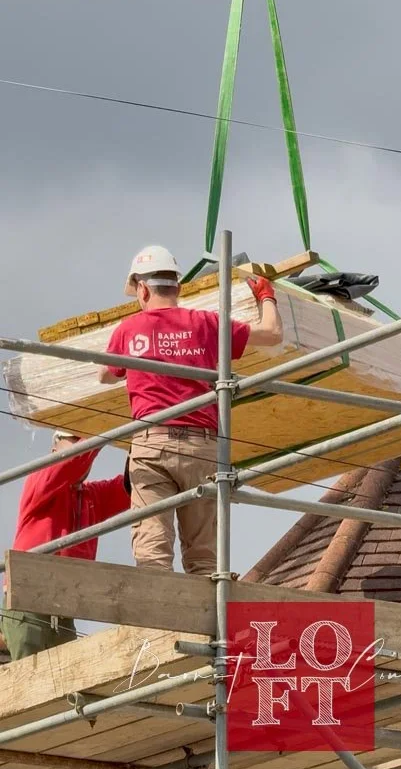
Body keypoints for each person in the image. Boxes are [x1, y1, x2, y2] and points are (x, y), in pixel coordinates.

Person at [99, 245, 283, 575]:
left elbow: (103, 375)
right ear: (179, 287)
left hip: (152, 445)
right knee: (204, 558)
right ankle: (208, 626)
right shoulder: (205, 323)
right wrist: (266, 294)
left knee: (152, 554)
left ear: (141, 289)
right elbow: (272, 334)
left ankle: (157, 625)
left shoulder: (129, 330)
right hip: (203, 448)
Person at [1, 432, 131, 660]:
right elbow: (71, 462)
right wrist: (100, 430)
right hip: (27, 599)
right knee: (30, 679)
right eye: (74, 438)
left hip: (63, 608)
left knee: (65, 683)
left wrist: (140, 451)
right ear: (53, 453)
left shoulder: (91, 496)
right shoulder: (39, 481)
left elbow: (128, 488)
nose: (81, 444)